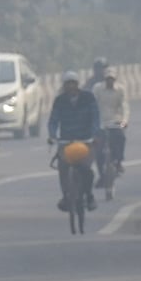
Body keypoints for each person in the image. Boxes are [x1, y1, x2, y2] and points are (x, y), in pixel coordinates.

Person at [47, 70, 100, 212]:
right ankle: (66, 196)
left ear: (77, 85)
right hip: (66, 141)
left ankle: (89, 196)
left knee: (87, 169)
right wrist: (52, 136)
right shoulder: (60, 100)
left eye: (73, 83)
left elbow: (95, 118)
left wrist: (94, 134)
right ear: (64, 86)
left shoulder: (88, 98)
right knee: (63, 169)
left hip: (85, 141)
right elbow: (53, 120)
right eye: (67, 84)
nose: (70, 87)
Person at [91, 66, 129, 184]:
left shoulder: (120, 90)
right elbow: (93, 105)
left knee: (121, 138)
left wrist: (124, 121)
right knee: (98, 150)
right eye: (108, 79)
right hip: (100, 122)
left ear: (115, 79)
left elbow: (124, 106)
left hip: (115, 121)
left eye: (112, 79)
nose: (110, 81)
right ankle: (102, 174)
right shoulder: (97, 89)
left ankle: (118, 161)